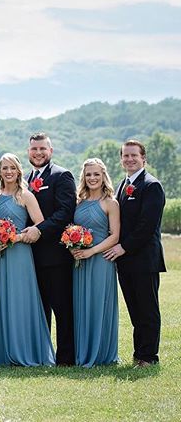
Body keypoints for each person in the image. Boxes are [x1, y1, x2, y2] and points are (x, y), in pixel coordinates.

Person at [104, 140, 166, 367]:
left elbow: (147, 226)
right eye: (126, 156)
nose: (129, 159)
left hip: (144, 260)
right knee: (135, 310)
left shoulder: (151, 186)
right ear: (121, 159)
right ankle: (139, 353)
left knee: (147, 310)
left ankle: (149, 357)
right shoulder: (122, 184)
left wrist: (123, 247)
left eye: (134, 155)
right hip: (125, 261)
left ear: (143, 158)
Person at [0, 153, 54, 366]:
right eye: (5, 168)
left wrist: (14, 238)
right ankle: (5, 351)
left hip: (20, 255)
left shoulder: (25, 196)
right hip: (0, 256)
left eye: (12, 168)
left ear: (18, 171)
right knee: (3, 299)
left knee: (20, 300)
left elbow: (39, 225)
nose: (9, 172)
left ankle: (27, 350)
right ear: (0, 171)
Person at [21, 132, 76, 366]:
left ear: (50, 151)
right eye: (34, 149)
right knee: (38, 309)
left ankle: (66, 358)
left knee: (62, 308)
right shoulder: (24, 180)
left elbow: (65, 212)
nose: (38, 153)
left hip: (56, 256)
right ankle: (42, 355)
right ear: (28, 152)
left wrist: (39, 230)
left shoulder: (61, 176)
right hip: (29, 256)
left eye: (42, 148)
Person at [71, 158, 120, 367]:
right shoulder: (79, 202)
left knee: (100, 303)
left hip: (101, 260)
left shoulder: (111, 203)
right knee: (82, 305)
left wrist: (91, 251)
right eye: (88, 174)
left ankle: (101, 353)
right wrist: (72, 246)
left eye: (96, 174)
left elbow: (115, 236)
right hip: (80, 262)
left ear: (103, 176)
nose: (92, 178)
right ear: (84, 177)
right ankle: (82, 351)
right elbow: (72, 230)